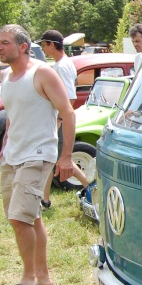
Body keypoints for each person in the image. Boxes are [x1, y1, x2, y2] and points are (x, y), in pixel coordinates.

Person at [0, 24, 75, 285]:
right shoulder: (6, 76)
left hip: (38, 154)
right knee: (29, 217)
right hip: (13, 156)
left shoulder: (42, 73)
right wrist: (5, 145)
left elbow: (67, 112)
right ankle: (42, 275)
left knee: (20, 217)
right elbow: (12, 116)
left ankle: (27, 278)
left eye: (5, 42)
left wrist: (65, 157)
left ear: (23, 47)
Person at [37, 30, 88, 208]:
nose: (43, 49)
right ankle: (45, 199)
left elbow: (70, 98)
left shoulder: (62, 66)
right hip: (57, 119)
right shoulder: (62, 64)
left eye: (44, 45)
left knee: (58, 159)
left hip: (60, 121)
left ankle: (89, 187)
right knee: (50, 159)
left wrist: (59, 120)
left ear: (52, 44)